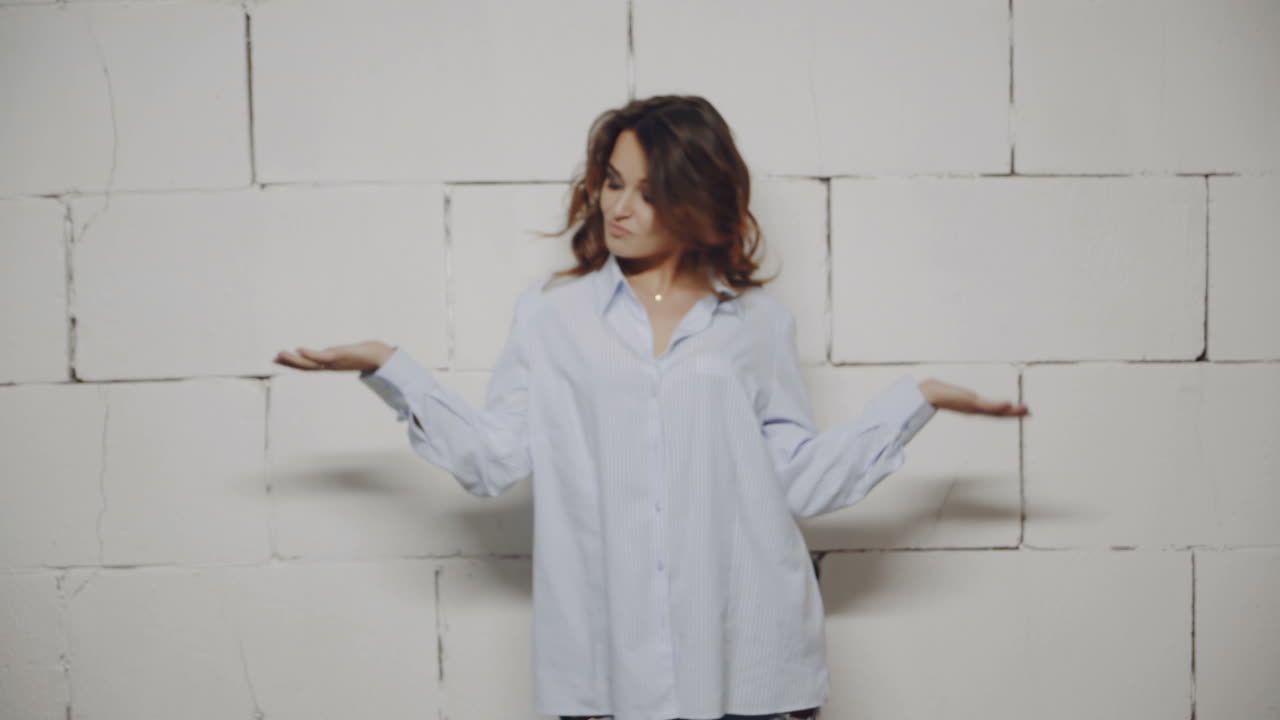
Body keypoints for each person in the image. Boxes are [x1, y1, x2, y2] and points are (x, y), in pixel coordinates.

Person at [274, 95, 1029, 720]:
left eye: (648, 190)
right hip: (606, 672)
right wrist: (391, 369)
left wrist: (914, 402)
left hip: (752, 666)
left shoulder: (757, 324)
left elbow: (795, 480)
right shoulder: (552, 317)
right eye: (611, 182)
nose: (620, 207)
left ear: (697, 198)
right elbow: (492, 461)